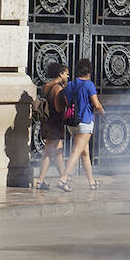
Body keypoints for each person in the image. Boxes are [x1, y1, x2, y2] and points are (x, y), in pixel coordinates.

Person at [58, 59, 104, 192]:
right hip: (85, 121)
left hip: (72, 123)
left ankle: (91, 182)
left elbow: (66, 101)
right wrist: (101, 110)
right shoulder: (89, 85)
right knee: (77, 151)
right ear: (89, 72)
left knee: (85, 153)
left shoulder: (70, 85)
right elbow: (95, 103)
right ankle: (63, 178)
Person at [34, 62, 69, 190]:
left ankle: (63, 177)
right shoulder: (57, 88)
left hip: (47, 122)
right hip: (55, 122)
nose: (68, 76)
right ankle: (40, 180)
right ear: (61, 74)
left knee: (58, 150)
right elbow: (58, 107)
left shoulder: (46, 86)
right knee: (49, 152)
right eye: (66, 74)